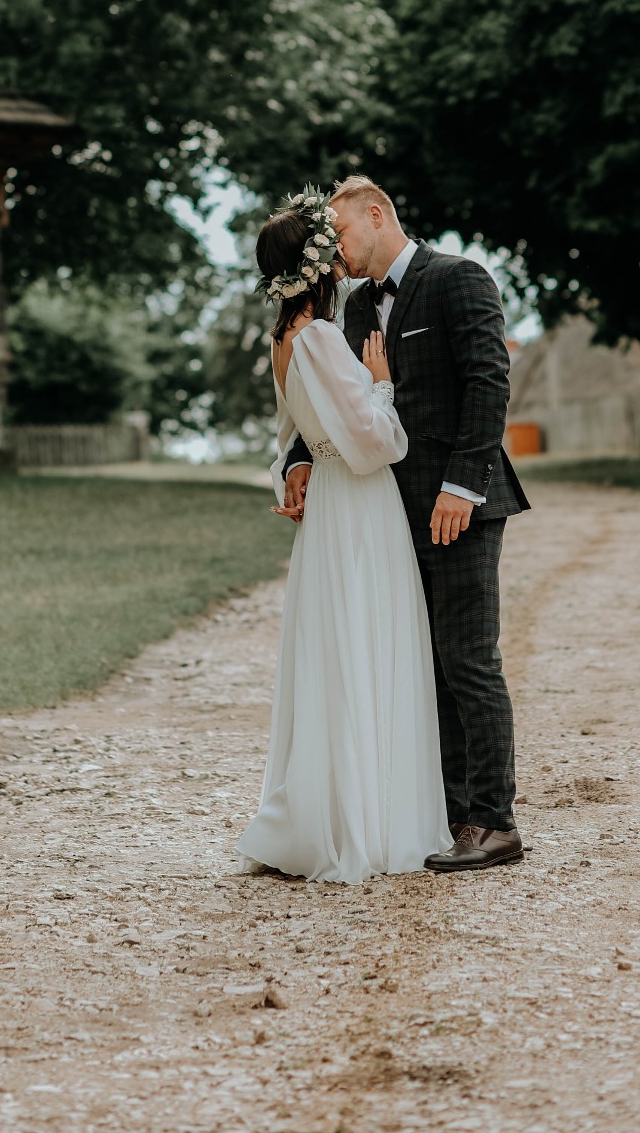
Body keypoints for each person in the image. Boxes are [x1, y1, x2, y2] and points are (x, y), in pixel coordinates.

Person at [282, 176, 529, 874]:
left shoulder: (458, 278)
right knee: (419, 667)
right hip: (384, 519)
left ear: (376, 212)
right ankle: (446, 813)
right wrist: (300, 459)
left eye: (340, 236)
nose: (334, 253)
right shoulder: (356, 307)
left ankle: (493, 821)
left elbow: (488, 382)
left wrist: (462, 485)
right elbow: (344, 400)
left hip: (461, 506)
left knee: (467, 662)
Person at [237, 189, 451, 883]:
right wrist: (382, 386)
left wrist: (294, 472)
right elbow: (372, 444)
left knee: (336, 656)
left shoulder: (280, 341)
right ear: (320, 266)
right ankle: (369, 824)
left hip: (328, 508)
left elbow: (287, 441)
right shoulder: (323, 337)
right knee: (372, 647)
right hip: (359, 506)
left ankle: (325, 811)